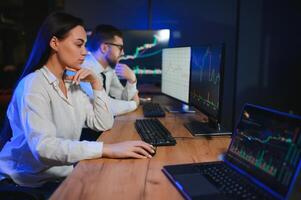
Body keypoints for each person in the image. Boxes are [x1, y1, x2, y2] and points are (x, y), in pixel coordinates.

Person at [0, 12, 155, 192]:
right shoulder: (33, 85)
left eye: (85, 46)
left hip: (58, 177)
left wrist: (97, 84)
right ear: (54, 43)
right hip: (25, 184)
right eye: (79, 45)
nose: (85, 52)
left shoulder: (72, 82)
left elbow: (102, 122)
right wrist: (107, 149)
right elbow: (43, 148)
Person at [81, 24, 139, 116]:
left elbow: (122, 99)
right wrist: (134, 104)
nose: (123, 53)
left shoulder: (108, 69)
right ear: (104, 48)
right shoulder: (84, 69)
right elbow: (104, 106)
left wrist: (132, 80)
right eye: (120, 48)